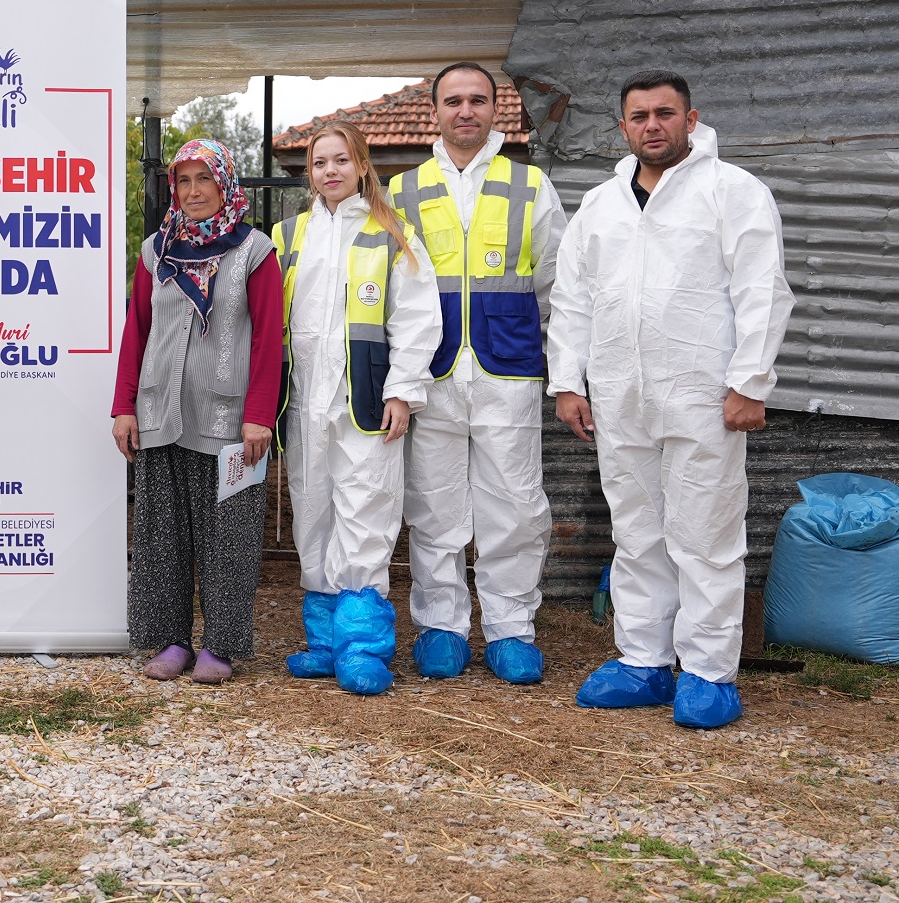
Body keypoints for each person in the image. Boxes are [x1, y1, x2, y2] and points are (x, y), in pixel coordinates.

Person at [550, 70, 793, 730]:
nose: (652, 125)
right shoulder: (601, 204)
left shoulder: (732, 192)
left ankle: (710, 673)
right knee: (636, 533)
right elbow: (572, 298)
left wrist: (750, 383)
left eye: (664, 113)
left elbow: (761, 291)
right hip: (621, 396)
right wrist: (567, 380)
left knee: (706, 535)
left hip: (703, 396)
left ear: (691, 118)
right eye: (639, 116)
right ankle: (644, 661)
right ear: (622, 126)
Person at [386, 64, 568, 685]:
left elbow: (556, 283)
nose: (466, 111)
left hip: (507, 369)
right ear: (433, 111)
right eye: (453, 101)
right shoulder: (403, 190)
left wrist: (555, 359)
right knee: (433, 504)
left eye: (478, 100)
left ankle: (512, 628)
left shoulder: (530, 184)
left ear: (498, 109)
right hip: (431, 373)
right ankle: (440, 625)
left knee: (514, 504)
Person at [275, 119, 441, 695]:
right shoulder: (287, 235)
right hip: (306, 403)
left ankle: (363, 644)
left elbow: (418, 318)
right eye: (320, 163)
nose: (330, 171)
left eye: (341, 160)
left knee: (366, 509)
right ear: (309, 172)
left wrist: (404, 389)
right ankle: (324, 641)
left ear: (363, 165)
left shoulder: (391, 232)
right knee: (313, 510)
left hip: (365, 400)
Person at [111, 139, 282, 685]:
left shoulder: (254, 252)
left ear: (225, 184)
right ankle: (171, 640)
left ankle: (221, 645)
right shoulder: (155, 252)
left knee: (228, 535)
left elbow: (268, 341)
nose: (191, 192)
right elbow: (136, 330)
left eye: (202, 180)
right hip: (161, 411)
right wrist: (124, 406)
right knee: (163, 534)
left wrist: (260, 414)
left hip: (231, 421)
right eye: (182, 181)